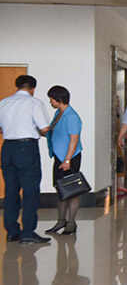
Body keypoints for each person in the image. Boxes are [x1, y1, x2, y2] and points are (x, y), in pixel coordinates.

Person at [0, 75, 51, 244]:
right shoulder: (34, 103)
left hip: (8, 148)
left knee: (11, 191)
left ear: (17, 86)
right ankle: (28, 232)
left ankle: (12, 232)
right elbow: (44, 128)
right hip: (27, 148)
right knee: (30, 191)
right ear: (33, 88)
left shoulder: (4, 103)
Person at [44, 86, 83, 236]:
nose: (50, 102)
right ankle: (61, 221)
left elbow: (74, 140)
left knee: (72, 191)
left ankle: (71, 223)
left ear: (59, 99)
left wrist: (67, 160)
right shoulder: (58, 113)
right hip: (59, 157)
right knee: (60, 189)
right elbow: (54, 132)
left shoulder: (71, 116)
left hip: (70, 158)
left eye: (51, 99)